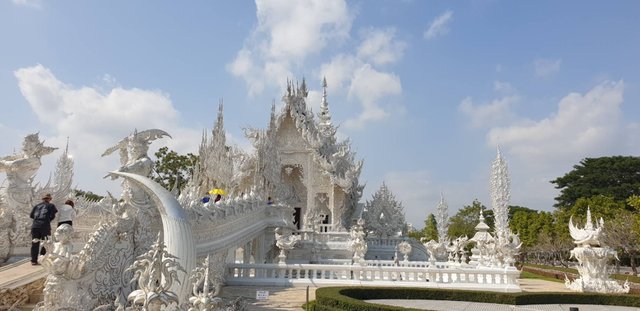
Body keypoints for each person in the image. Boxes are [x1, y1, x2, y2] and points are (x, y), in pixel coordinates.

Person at [30, 193, 58, 265]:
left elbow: (31, 215)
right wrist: (47, 220)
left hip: (35, 226)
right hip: (44, 226)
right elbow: (53, 216)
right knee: (46, 243)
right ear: (49, 199)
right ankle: (42, 259)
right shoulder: (51, 205)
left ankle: (34, 260)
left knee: (35, 243)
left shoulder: (37, 206)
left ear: (43, 199)